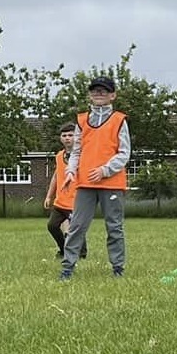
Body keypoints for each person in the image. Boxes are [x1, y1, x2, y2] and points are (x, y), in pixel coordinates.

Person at [60, 76, 129, 281]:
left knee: (114, 227)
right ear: (90, 95)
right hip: (85, 183)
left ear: (112, 95)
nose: (99, 94)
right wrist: (71, 171)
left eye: (104, 91)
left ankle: (118, 268)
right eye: (95, 91)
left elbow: (124, 153)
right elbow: (77, 150)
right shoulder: (82, 120)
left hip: (111, 183)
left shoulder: (119, 120)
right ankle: (67, 268)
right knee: (77, 226)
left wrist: (105, 170)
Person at [42, 123, 84, 260]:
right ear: (60, 138)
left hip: (75, 201)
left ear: (77, 137)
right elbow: (56, 175)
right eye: (64, 135)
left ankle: (82, 253)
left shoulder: (82, 156)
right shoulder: (59, 156)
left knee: (75, 229)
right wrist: (49, 196)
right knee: (52, 226)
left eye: (70, 135)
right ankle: (63, 249)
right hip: (60, 201)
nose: (67, 138)